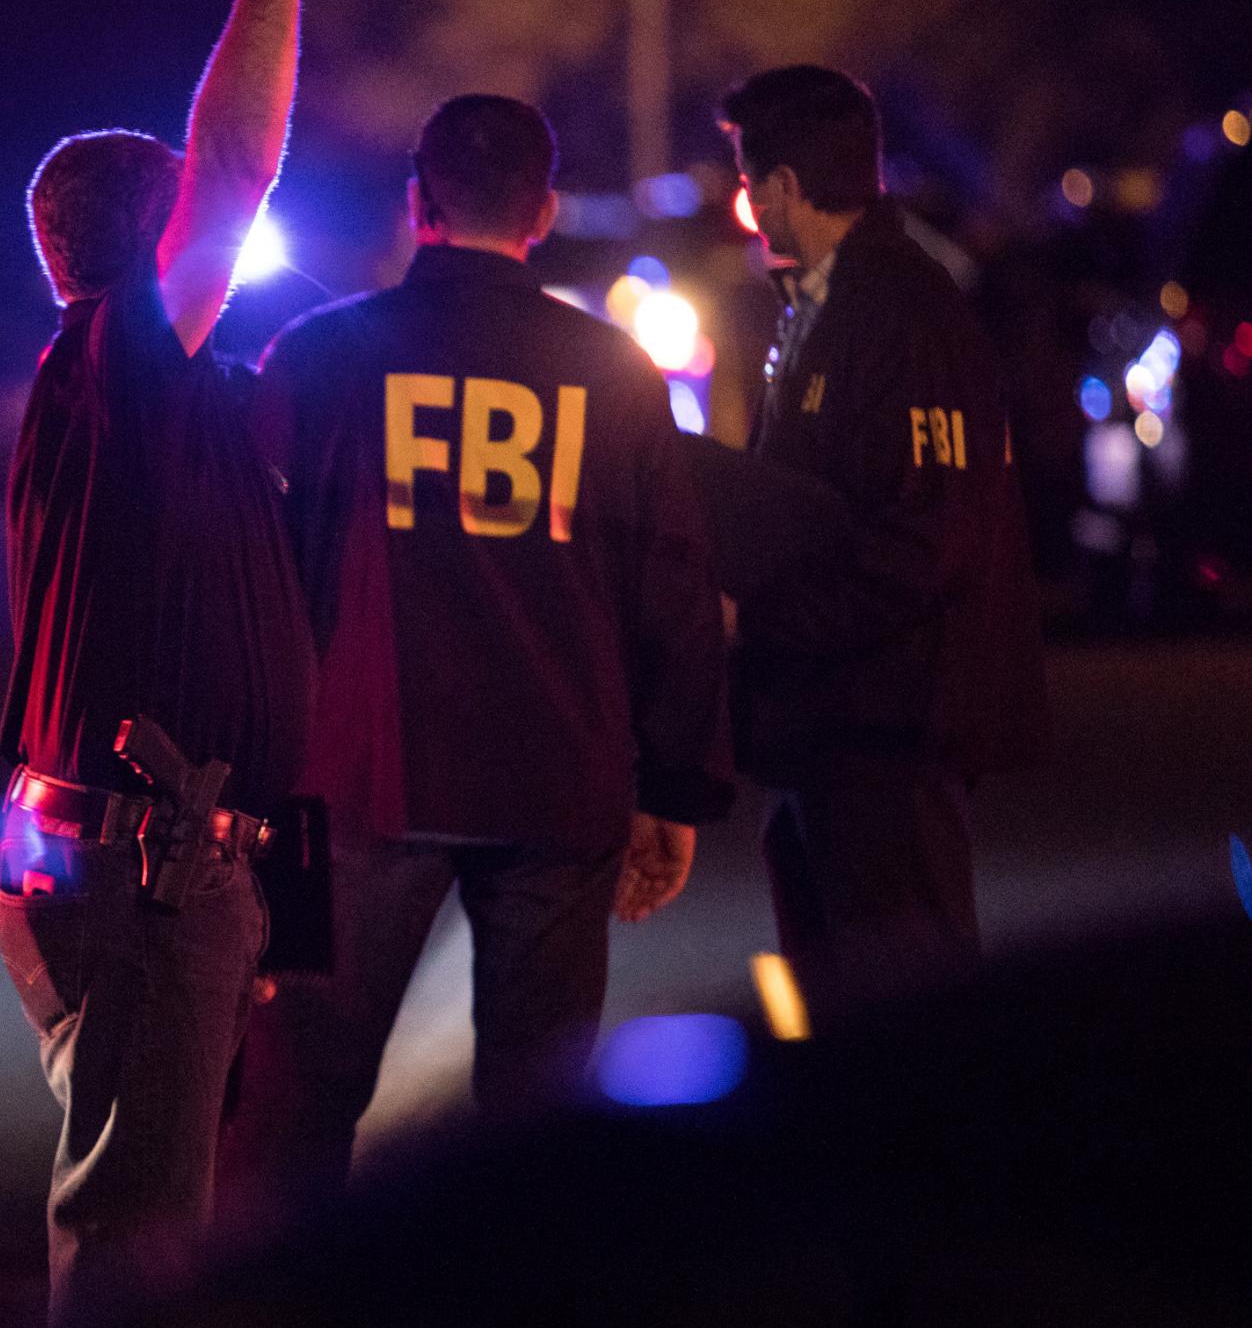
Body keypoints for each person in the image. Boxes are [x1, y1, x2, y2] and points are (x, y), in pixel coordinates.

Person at [220, 95, 732, 1215]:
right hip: (557, 774)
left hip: (356, 778)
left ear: (418, 204)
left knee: (295, 1102)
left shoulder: (316, 357)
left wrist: (249, 778)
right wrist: (676, 786)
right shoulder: (615, 374)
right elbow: (675, 598)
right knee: (538, 1116)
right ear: (543, 212)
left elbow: (252, 582)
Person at [0, 0, 349, 1328]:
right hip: (145, 859)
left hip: (159, 852)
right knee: (140, 1244)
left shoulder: (149, 404)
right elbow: (245, 156)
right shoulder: (112, 371)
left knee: (160, 1211)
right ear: (157, 255)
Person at [695, 64, 1044, 1016]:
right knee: (838, 1025)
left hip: (890, 731)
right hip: (829, 725)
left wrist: (760, 616)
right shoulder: (827, 307)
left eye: (749, 180)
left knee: (911, 1026)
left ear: (783, 188)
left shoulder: (904, 312)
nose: (748, 203)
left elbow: (925, 538)